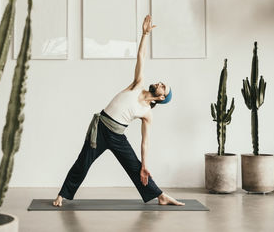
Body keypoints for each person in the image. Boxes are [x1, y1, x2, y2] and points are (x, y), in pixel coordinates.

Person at [53, 15, 185, 207]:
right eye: (161, 82)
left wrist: (145, 165)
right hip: (100, 129)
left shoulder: (148, 114)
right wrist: (145, 34)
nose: (159, 83)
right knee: (83, 162)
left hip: (117, 136)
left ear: (162, 97)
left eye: (163, 86)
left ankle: (160, 196)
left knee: (136, 167)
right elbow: (140, 57)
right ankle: (62, 195)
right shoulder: (138, 84)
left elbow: (145, 142)